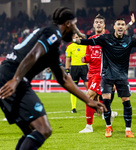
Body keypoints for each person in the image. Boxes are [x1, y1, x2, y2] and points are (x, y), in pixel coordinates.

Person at [0, 7, 106, 150]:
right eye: (74, 24)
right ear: (68, 23)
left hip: (6, 76)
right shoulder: (54, 32)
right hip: (13, 78)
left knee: (32, 132)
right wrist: (16, 80)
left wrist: (88, 101)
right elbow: (34, 54)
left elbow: (63, 79)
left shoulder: (52, 47)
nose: (76, 29)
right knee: (44, 129)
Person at [73, 18, 136, 138]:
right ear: (114, 27)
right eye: (118, 24)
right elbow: (87, 42)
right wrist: (76, 41)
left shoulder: (130, 40)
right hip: (106, 76)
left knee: (126, 102)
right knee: (105, 101)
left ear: (124, 28)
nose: (120, 26)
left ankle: (128, 130)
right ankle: (108, 127)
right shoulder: (105, 38)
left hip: (121, 77)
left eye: (122, 25)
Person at [78, 14, 135, 133]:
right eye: (96, 22)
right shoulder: (91, 40)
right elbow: (89, 57)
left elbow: (121, 31)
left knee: (89, 96)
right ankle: (108, 114)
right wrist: (86, 59)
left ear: (104, 25)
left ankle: (89, 126)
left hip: (103, 73)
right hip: (92, 73)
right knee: (98, 98)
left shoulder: (108, 38)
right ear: (93, 25)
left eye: (100, 22)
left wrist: (130, 24)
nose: (98, 24)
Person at [65, 33, 88, 113]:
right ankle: (73, 108)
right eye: (75, 37)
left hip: (84, 67)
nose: (77, 38)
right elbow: (67, 60)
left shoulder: (85, 46)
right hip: (74, 68)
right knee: (74, 88)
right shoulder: (70, 47)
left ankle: (90, 105)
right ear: (73, 38)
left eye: (78, 37)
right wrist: (67, 71)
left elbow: (88, 58)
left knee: (88, 86)